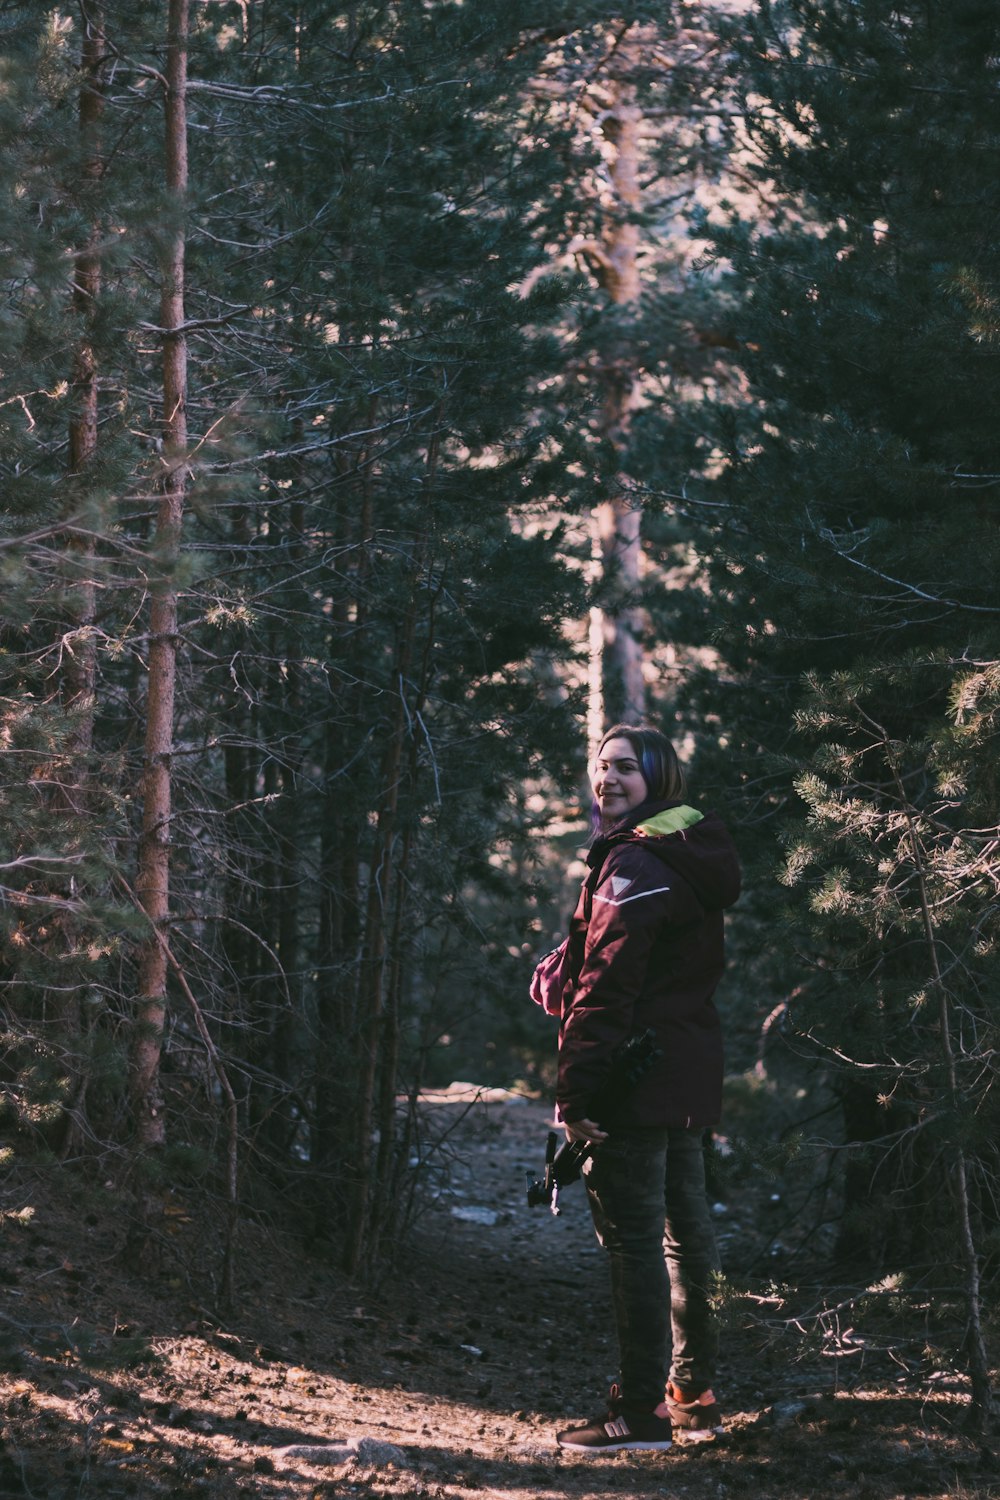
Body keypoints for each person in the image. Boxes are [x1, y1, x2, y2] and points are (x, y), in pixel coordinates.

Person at [531, 723, 740, 1453]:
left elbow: (606, 990)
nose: (608, 780)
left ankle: (642, 1412)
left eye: (625, 768)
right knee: (687, 1236)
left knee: (635, 1243)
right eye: (600, 767)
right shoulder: (688, 850)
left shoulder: (634, 866)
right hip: (684, 1069)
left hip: (632, 1077)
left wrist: (578, 1096)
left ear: (659, 777)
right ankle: (695, 1394)